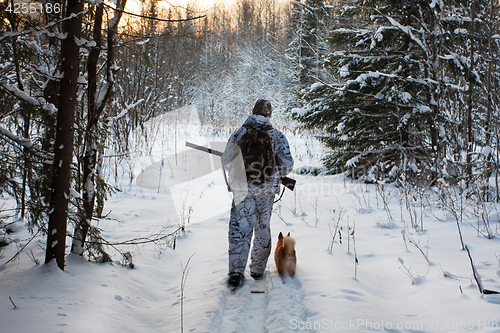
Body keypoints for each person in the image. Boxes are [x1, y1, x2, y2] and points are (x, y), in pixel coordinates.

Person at [221, 99, 294, 289]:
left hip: (242, 189)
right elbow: (287, 166)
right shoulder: (277, 136)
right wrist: (275, 174)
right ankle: (257, 270)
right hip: (266, 191)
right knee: (262, 227)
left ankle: (236, 273)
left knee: (239, 229)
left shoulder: (239, 133)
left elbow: (226, 160)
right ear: (269, 115)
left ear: (252, 111)